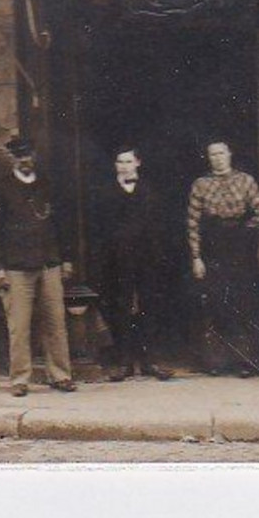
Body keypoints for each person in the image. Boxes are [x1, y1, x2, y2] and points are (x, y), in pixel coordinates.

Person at [0, 136, 74, 397]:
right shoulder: (2, 189)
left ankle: (61, 375)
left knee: (55, 321)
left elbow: (61, 225)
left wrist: (66, 258)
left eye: (29, 155)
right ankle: (20, 379)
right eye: (20, 156)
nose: (25, 160)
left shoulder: (47, 185)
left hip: (48, 263)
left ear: (34, 156)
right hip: (16, 267)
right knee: (19, 325)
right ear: (12, 158)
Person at [187, 140, 259, 377]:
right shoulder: (201, 185)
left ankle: (249, 361)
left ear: (229, 154)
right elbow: (193, 224)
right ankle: (220, 361)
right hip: (214, 248)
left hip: (241, 249)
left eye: (221, 153)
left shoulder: (245, 181)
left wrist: (244, 232)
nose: (217, 158)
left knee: (246, 304)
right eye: (212, 154)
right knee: (218, 305)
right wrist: (196, 257)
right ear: (208, 158)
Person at [94, 145, 174, 381]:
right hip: (117, 260)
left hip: (147, 259)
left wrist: (157, 256)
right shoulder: (106, 192)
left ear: (138, 163)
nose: (124, 166)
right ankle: (124, 361)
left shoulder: (150, 191)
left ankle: (151, 360)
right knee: (121, 307)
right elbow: (100, 228)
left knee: (150, 306)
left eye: (128, 161)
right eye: (120, 162)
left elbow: (159, 227)